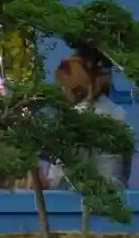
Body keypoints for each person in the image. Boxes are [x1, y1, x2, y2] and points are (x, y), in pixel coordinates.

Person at [46, 54, 129, 189]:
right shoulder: (119, 113)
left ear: (75, 87)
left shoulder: (72, 118)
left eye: (63, 86)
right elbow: (124, 167)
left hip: (74, 199)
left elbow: (58, 176)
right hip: (114, 196)